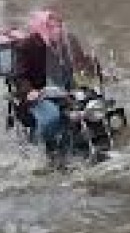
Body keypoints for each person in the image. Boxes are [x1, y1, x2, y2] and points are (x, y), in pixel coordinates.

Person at [14, 9, 96, 162]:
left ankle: (92, 138)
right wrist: (30, 91)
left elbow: (81, 62)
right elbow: (20, 76)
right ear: (41, 28)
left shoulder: (69, 41)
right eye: (51, 27)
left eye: (59, 26)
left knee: (94, 105)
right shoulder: (27, 46)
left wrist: (97, 69)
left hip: (67, 89)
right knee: (51, 117)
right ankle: (43, 148)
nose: (57, 30)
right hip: (40, 94)